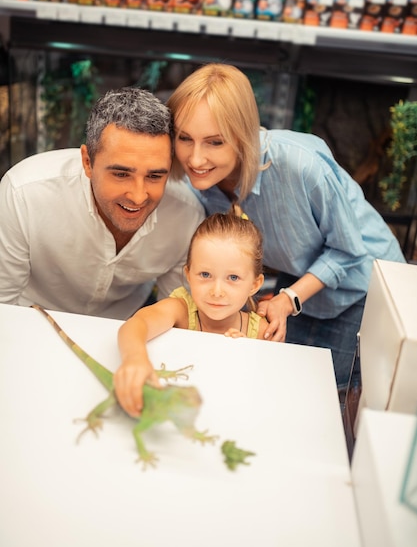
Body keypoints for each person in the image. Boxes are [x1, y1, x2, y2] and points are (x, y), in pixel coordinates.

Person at [165, 63, 406, 392]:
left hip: (366, 283)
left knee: (324, 391)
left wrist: (288, 298)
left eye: (214, 142)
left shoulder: (299, 164)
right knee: (275, 381)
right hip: (302, 273)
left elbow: (349, 249)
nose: (195, 158)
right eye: (185, 138)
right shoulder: (200, 183)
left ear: (243, 135)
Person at [0, 86, 204, 319]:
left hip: (126, 328)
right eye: (121, 174)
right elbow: (2, 305)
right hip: (30, 320)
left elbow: (174, 314)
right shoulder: (24, 194)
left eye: (154, 176)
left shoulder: (187, 217)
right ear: (88, 162)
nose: (138, 196)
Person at [114, 208, 267, 416]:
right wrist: (135, 358)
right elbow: (136, 324)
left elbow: (265, 390)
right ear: (188, 274)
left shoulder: (261, 333)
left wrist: (247, 353)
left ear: (254, 284)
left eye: (233, 278)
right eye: (205, 274)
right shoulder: (181, 310)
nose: (217, 291)